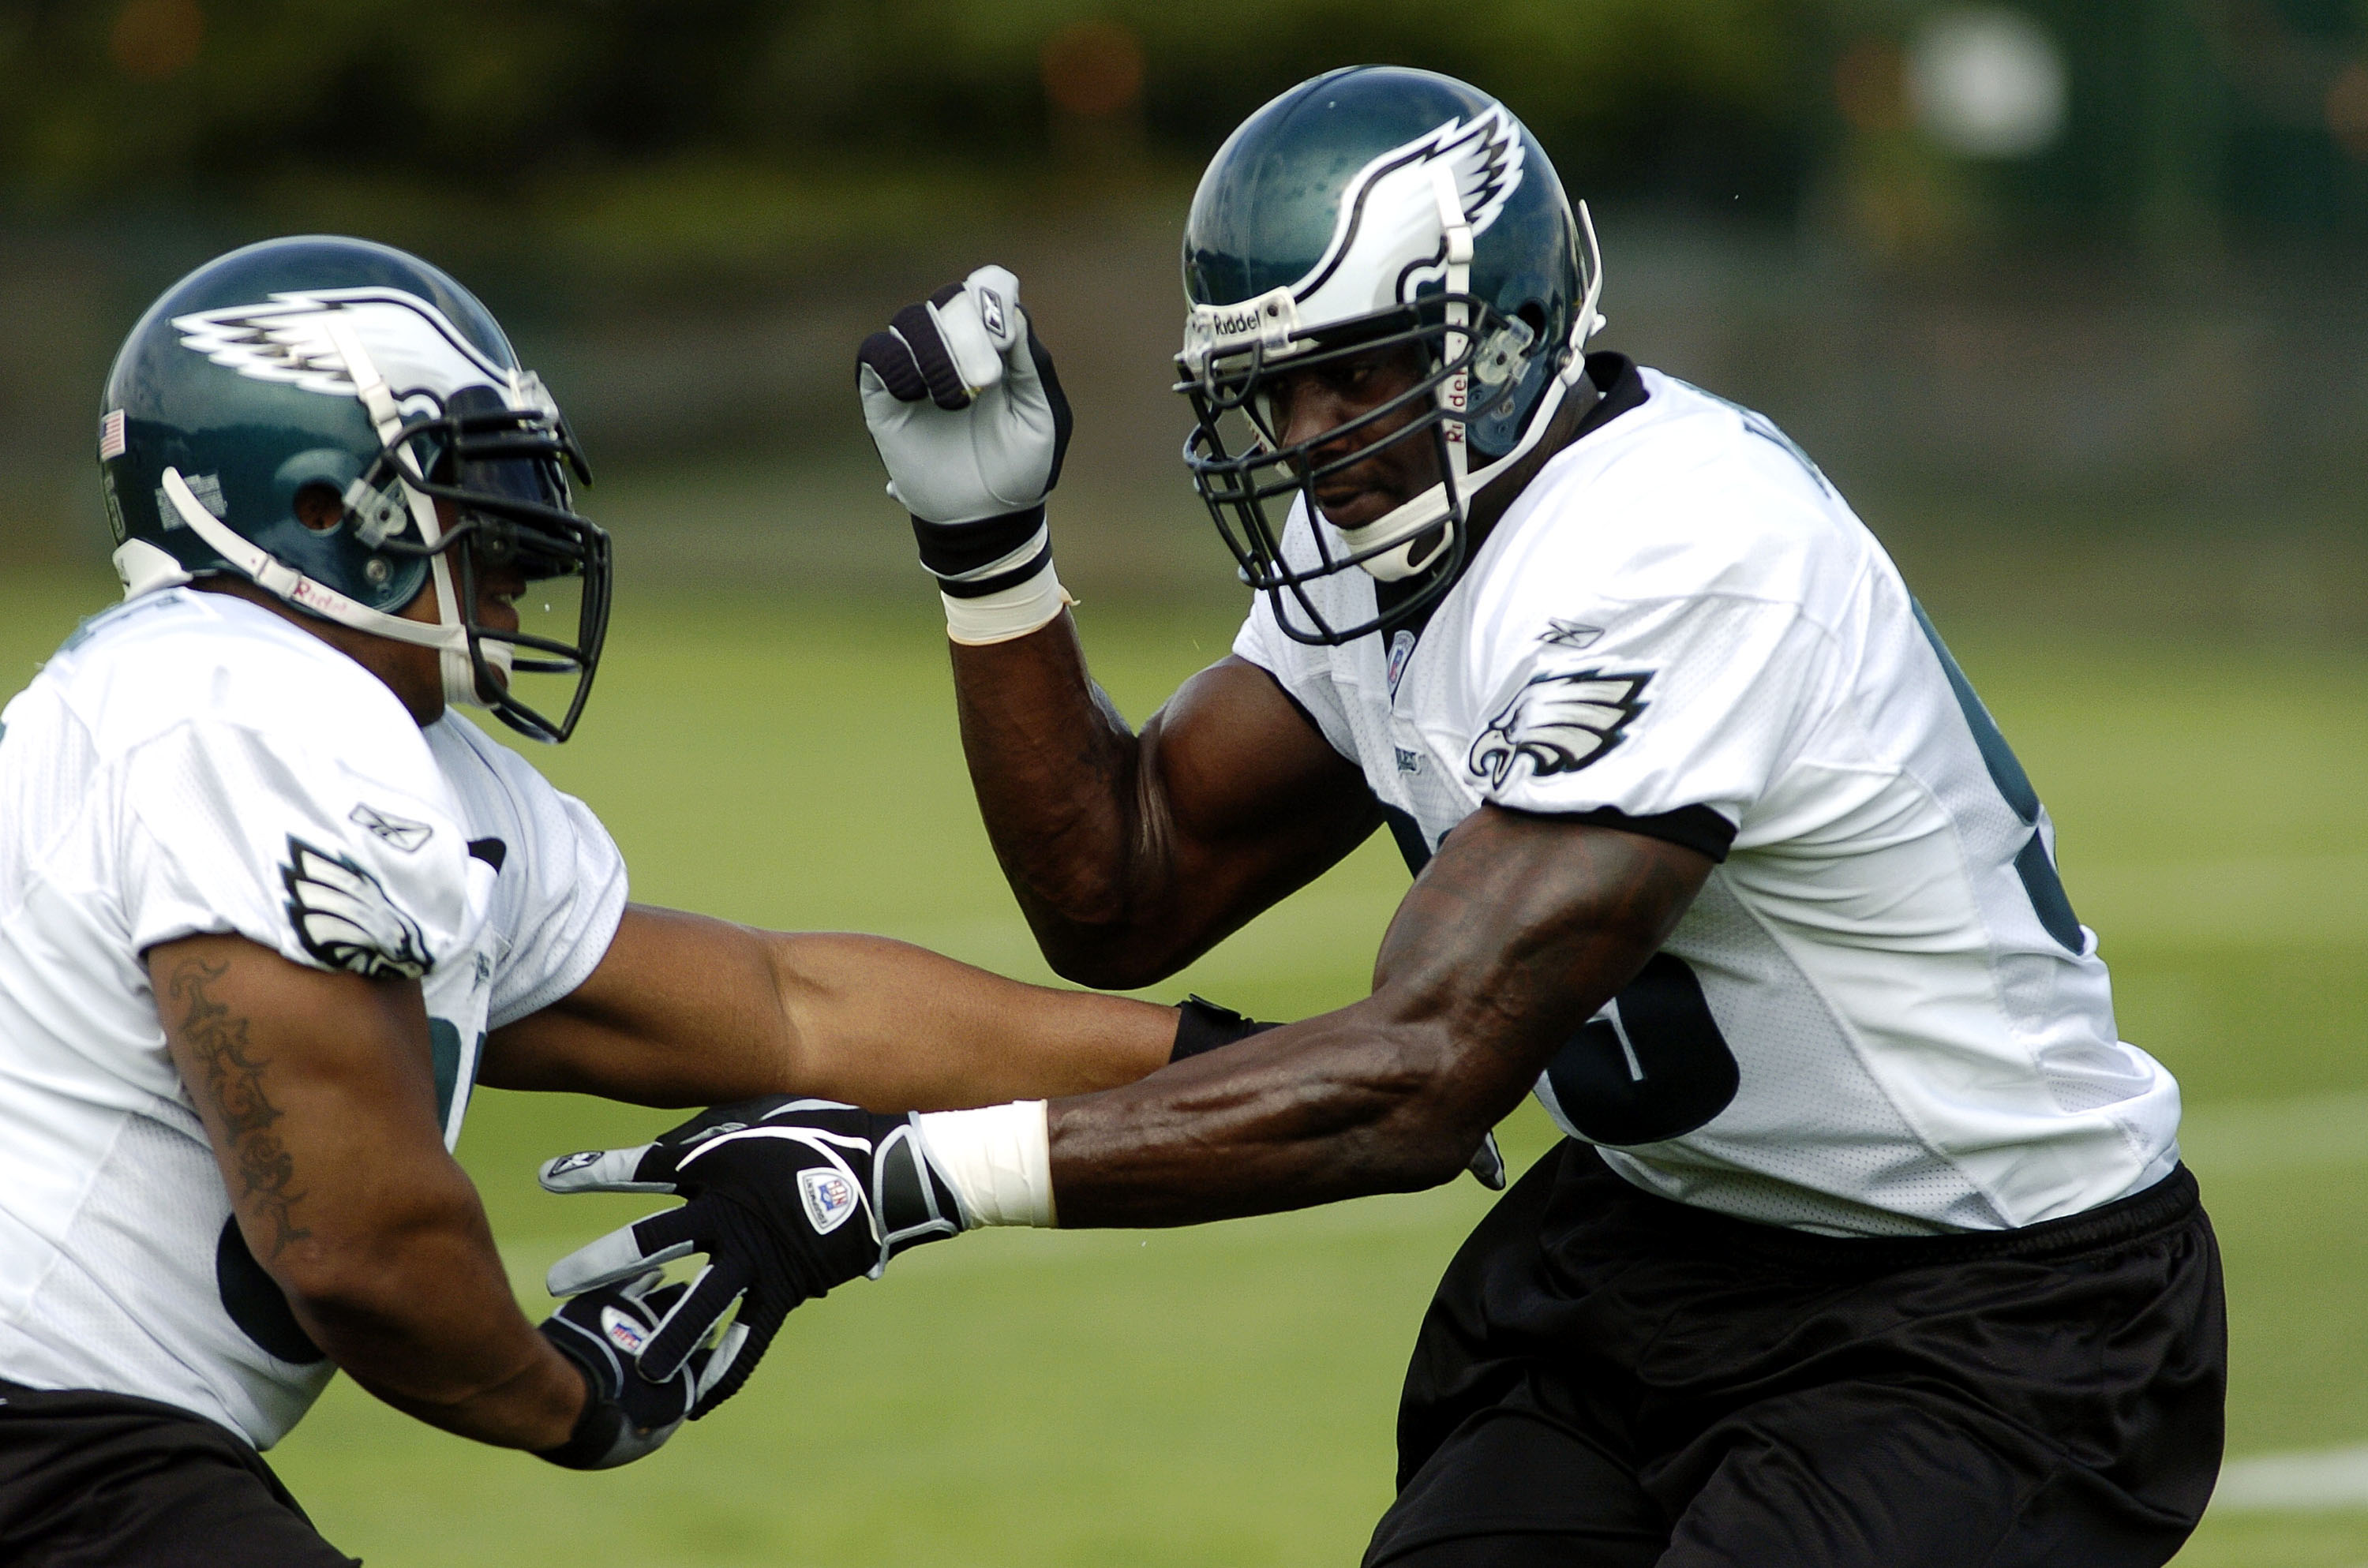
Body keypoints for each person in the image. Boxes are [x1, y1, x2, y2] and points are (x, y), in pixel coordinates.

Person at [545, 65, 2226, 1567]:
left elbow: (1424, 1074)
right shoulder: (1416, 533)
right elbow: (1123, 886)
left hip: (1993, 1297)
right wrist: (990, 564)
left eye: (1351, 374)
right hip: (1664, 1245)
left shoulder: (1679, 549)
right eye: (1276, 388)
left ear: (1498, 329)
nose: (1309, 436)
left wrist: (908, 1178)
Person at [0, 234, 1227, 1568]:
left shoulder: (385, 760)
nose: (526, 523)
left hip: (96, 1450)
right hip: (50, 1444)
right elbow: (359, 1247)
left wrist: (1234, 1067)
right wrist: (583, 1401)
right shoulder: (247, 708)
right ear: (311, 506)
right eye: (470, 474)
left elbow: (790, 1011)